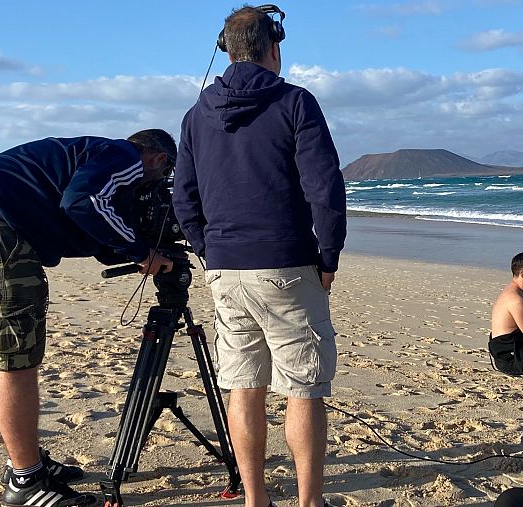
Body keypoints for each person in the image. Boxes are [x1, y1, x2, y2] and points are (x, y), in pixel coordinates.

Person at [171, 5, 345, 507]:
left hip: (226, 268)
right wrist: (328, 254)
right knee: (304, 386)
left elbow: (184, 197)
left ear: (226, 48)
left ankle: (255, 499)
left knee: (244, 385)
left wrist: (209, 250)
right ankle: (308, 501)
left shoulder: (195, 114)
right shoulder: (294, 102)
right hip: (286, 263)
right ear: (274, 47)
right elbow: (325, 188)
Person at [0, 129, 176, 507]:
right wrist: (141, 251)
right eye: (164, 175)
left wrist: (132, 243)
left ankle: (30, 465)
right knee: (15, 358)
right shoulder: (124, 156)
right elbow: (83, 201)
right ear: (157, 159)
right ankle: (25, 481)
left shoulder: (95, 154)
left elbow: (86, 224)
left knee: (19, 352)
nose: (153, 187)